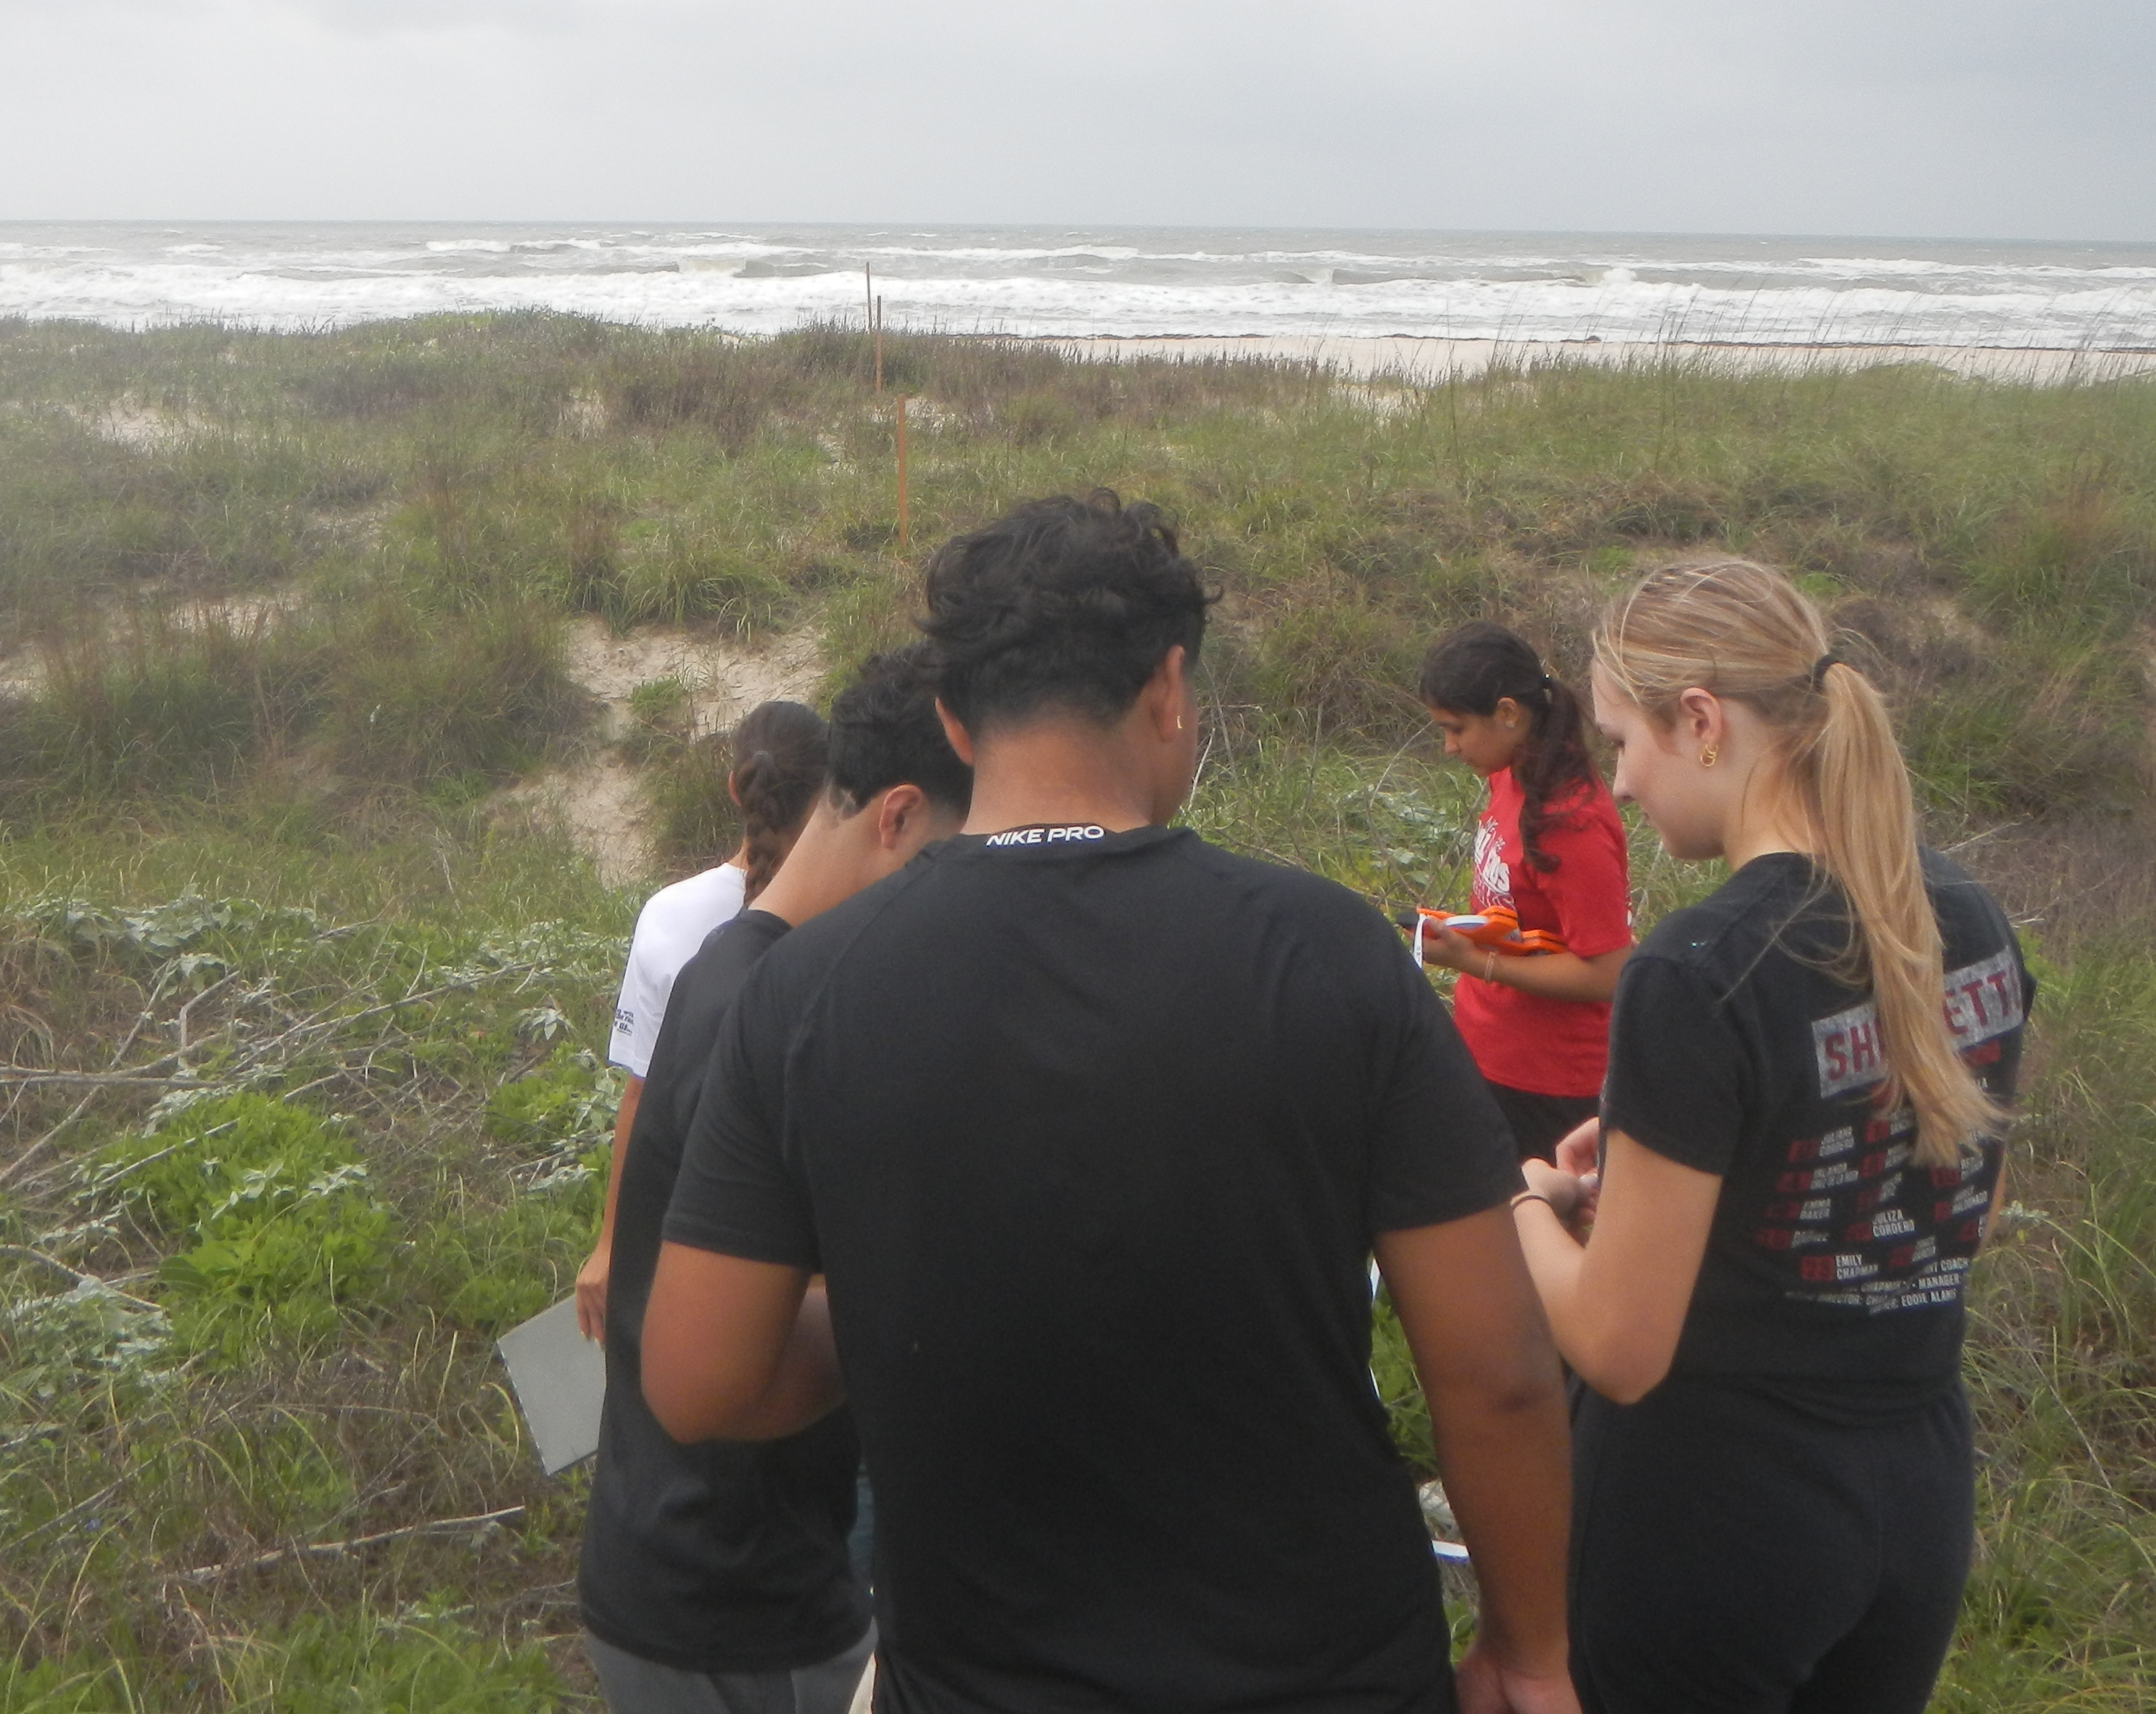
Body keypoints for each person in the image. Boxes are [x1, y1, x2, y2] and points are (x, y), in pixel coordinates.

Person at [644, 492, 1576, 1714]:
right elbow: (1494, 1370)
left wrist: (903, 1307)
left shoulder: (805, 992)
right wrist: (1528, 1649)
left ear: (950, 720)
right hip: (1328, 1673)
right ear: (1168, 687)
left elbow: (699, 1379)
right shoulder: (1328, 954)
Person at [1507, 557, 2030, 1714]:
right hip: (1918, 1490)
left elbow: (1619, 1345)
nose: (1625, 788)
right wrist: (1676, 1155)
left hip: (1717, 1510)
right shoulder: (1961, 912)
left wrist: (1528, 1211)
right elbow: (1963, 1204)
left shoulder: (1700, 969)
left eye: (1624, 743)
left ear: (1701, 723)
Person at [579, 647, 972, 1714]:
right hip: (735, 1608)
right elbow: (728, 1348)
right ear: (895, 819)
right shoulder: (779, 1016)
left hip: (702, 1574)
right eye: (953, 859)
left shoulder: (733, 973)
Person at [579, 700, 830, 1338]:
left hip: (690, 1231)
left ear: (734, 787)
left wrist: (612, 1244)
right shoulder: (850, 912)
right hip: (817, 1232)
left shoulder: (670, 915)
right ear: (833, 792)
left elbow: (643, 1089)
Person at [1412, 623, 1635, 1162]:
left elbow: (1609, 972)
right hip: (1487, 1050)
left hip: (1548, 1084)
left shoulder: (1569, 823)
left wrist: (1477, 963)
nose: (1448, 747)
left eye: (1456, 728)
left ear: (1509, 713)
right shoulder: (1513, 773)